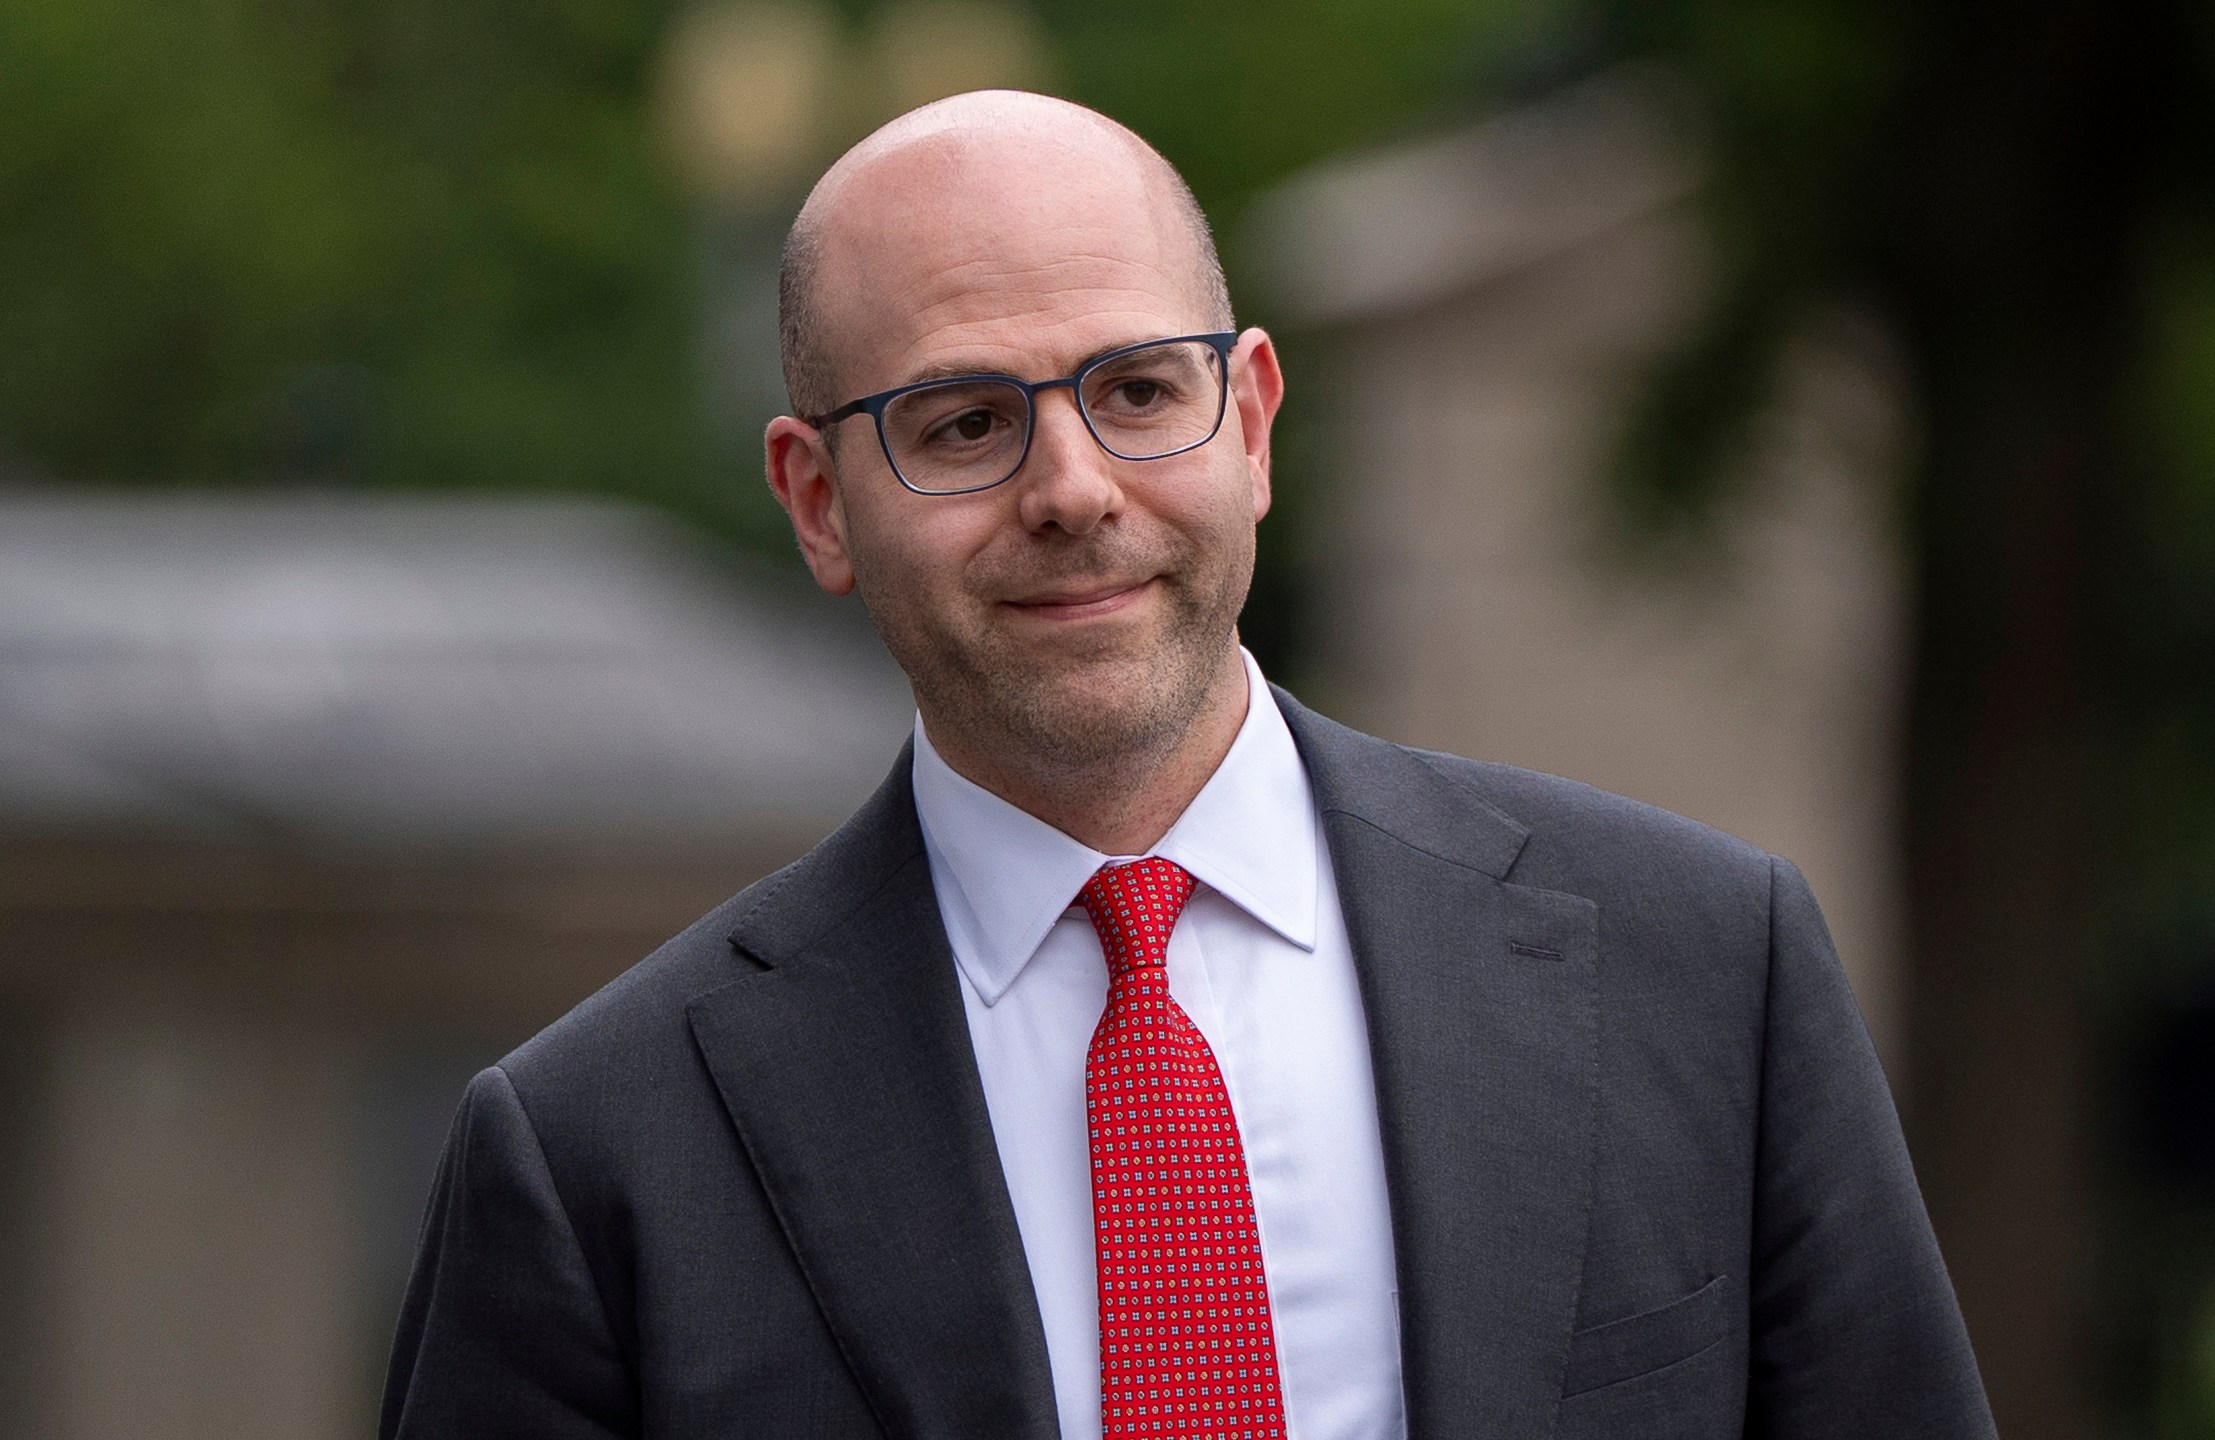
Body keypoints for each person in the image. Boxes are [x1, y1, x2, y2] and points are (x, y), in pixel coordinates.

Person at [381, 91, 1996, 1440]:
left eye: (1139, 390)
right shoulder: (596, 1155)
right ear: (817, 501)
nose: (1075, 489)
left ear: (1255, 422)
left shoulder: (1707, 975)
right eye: (963, 424)